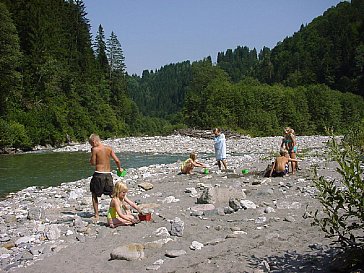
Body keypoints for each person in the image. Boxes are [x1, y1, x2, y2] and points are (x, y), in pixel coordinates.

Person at [89, 133, 123, 222]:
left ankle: (96, 215)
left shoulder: (95, 149)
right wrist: (120, 169)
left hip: (99, 174)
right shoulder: (109, 148)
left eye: (91, 144)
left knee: (94, 194)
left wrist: (92, 152)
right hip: (108, 174)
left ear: (94, 141)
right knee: (112, 195)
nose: (91, 145)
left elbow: (92, 163)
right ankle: (118, 211)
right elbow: (117, 160)